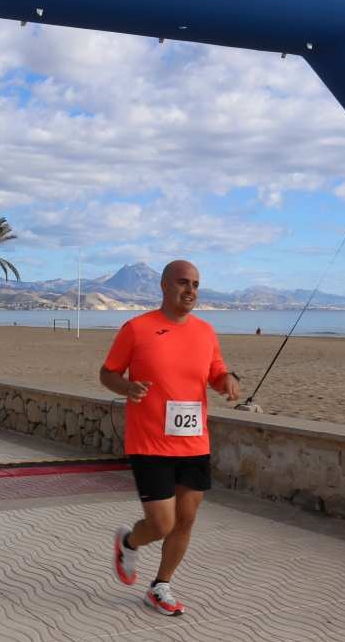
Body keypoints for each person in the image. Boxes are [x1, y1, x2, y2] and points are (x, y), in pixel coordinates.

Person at [100, 260, 240, 616]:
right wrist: (127, 387)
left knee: (186, 519)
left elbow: (216, 371)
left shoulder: (205, 331)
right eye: (182, 282)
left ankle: (160, 585)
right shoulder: (137, 328)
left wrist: (226, 380)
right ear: (164, 286)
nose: (190, 290)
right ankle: (129, 541)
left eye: (195, 284)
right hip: (149, 442)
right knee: (162, 524)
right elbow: (108, 373)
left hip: (193, 441)